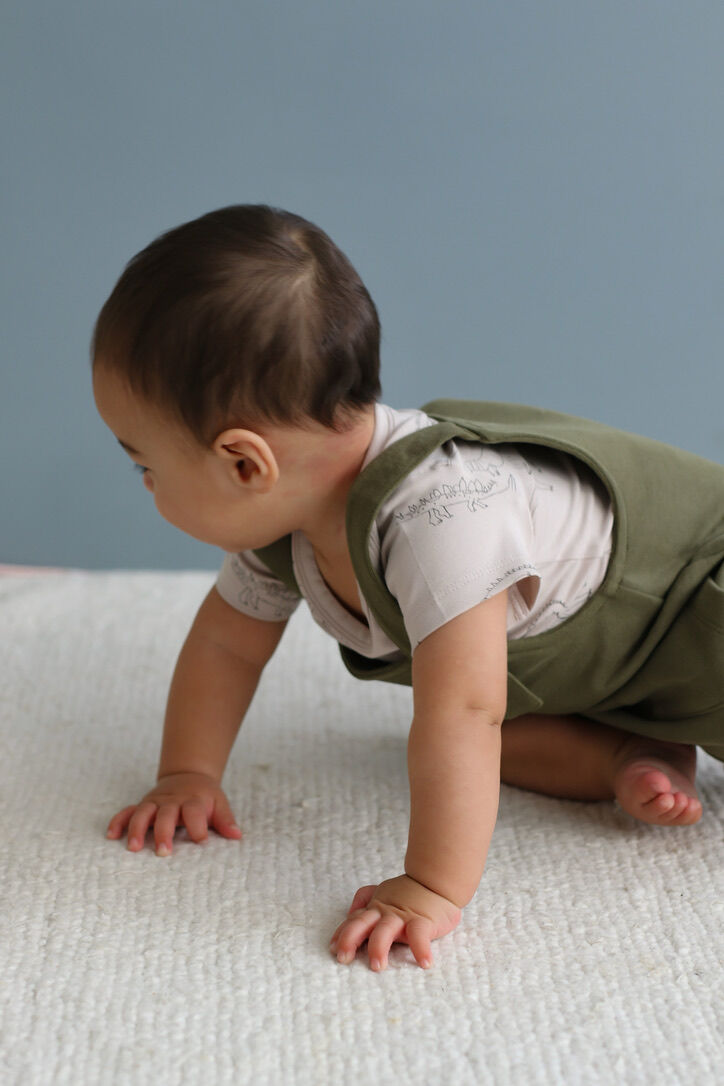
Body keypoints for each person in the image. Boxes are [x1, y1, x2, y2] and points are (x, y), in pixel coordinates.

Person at [92, 204, 724, 973]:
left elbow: (464, 709)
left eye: (144, 464)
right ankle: (634, 743)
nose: (145, 483)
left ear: (246, 464)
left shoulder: (438, 520)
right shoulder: (284, 526)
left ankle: (657, 728)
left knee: (458, 727)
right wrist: (187, 774)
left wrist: (429, 885)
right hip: (611, 669)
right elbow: (227, 644)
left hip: (699, 609)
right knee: (480, 748)